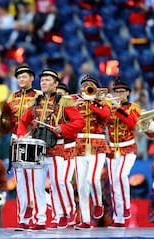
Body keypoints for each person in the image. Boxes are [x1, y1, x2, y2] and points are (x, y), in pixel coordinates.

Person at [17, 69, 85, 230]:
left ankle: (63, 214)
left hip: (57, 147)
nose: (44, 83)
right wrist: (21, 135)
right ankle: (40, 219)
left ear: (55, 84)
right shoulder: (35, 102)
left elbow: (79, 122)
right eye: (42, 80)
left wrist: (62, 129)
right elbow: (22, 122)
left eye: (48, 80)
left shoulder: (64, 101)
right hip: (37, 149)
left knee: (58, 183)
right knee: (37, 186)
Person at [2, 64, 39, 231]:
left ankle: (36, 216)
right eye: (19, 77)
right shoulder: (11, 98)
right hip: (17, 140)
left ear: (32, 78)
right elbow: (6, 120)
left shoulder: (39, 96)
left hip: (33, 139)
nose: (22, 79)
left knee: (33, 180)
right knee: (20, 181)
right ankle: (23, 218)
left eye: (25, 76)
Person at [73, 75, 111, 230]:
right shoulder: (76, 102)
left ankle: (97, 203)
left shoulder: (103, 102)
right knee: (81, 185)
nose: (87, 87)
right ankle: (86, 220)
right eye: (85, 85)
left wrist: (93, 102)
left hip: (98, 144)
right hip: (80, 145)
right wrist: (75, 105)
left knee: (92, 179)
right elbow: (67, 119)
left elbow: (106, 115)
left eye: (90, 85)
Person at [106, 77, 140, 228]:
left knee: (121, 175)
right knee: (114, 184)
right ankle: (118, 218)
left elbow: (131, 122)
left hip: (128, 148)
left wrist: (117, 107)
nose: (119, 94)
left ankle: (126, 207)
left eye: (122, 92)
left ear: (127, 93)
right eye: (116, 92)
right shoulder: (109, 108)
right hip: (112, 149)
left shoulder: (134, 107)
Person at [55, 82, 77, 227]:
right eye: (57, 95)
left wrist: (62, 129)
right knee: (54, 183)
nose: (58, 97)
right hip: (55, 149)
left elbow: (76, 126)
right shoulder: (50, 109)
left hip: (69, 147)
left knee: (64, 181)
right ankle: (59, 214)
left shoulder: (71, 106)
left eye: (61, 94)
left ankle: (71, 211)